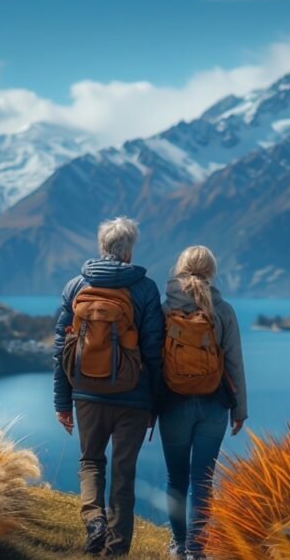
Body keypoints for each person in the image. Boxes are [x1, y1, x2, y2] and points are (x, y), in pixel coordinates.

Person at [53, 217, 165, 557]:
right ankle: (115, 551)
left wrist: (62, 401)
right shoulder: (145, 289)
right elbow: (153, 350)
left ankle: (94, 520)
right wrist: (154, 405)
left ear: (101, 247)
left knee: (90, 461)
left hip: (86, 392)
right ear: (129, 250)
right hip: (133, 397)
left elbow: (62, 349)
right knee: (123, 473)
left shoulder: (76, 287)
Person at [159, 245, 248, 559]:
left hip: (172, 404)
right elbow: (234, 362)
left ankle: (178, 546)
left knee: (176, 478)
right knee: (203, 480)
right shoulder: (222, 309)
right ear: (211, 271)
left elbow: (153, 359)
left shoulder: (165, 307)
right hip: (214, 404)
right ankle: (198, 548)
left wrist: (148, 408)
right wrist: (240, 409)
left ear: (180, 269)